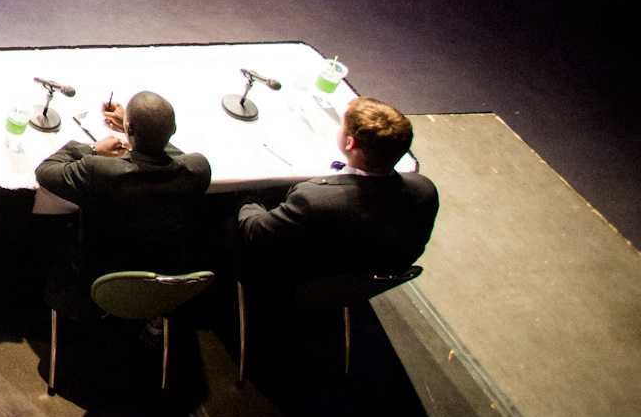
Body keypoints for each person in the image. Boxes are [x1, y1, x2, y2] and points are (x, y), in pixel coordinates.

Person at [34, 92, 212, 307]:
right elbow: (178, 158)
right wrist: (141, 133)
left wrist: (92, 149)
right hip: (161, 281)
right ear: (173, 130)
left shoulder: (100, 171)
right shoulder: (199, 170)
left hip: (95, 278)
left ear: (129, 129)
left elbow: (45, 171)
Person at [237, 98, 439, 284]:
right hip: (361, 279)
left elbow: (255, 231)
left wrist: (249, 197)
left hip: (303, 281)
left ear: (350, 143)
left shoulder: (314, 200)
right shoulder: (424, 189)